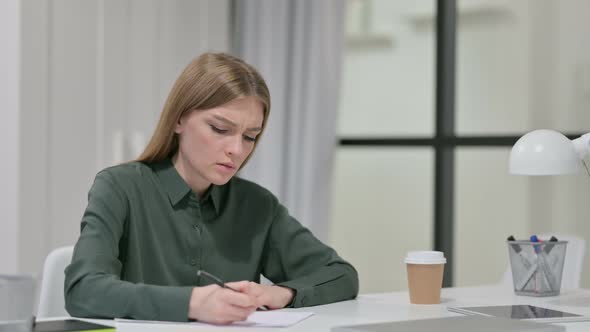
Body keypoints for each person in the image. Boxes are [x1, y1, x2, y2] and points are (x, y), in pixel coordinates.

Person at [64, 52, 359, 324]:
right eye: (220, 129)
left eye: (250, 136)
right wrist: (192, 303)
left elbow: (341, 275)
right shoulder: (119, 187)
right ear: (179, 119)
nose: (236, 149)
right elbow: (83, 289)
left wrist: (280, 294)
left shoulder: (256, 205)